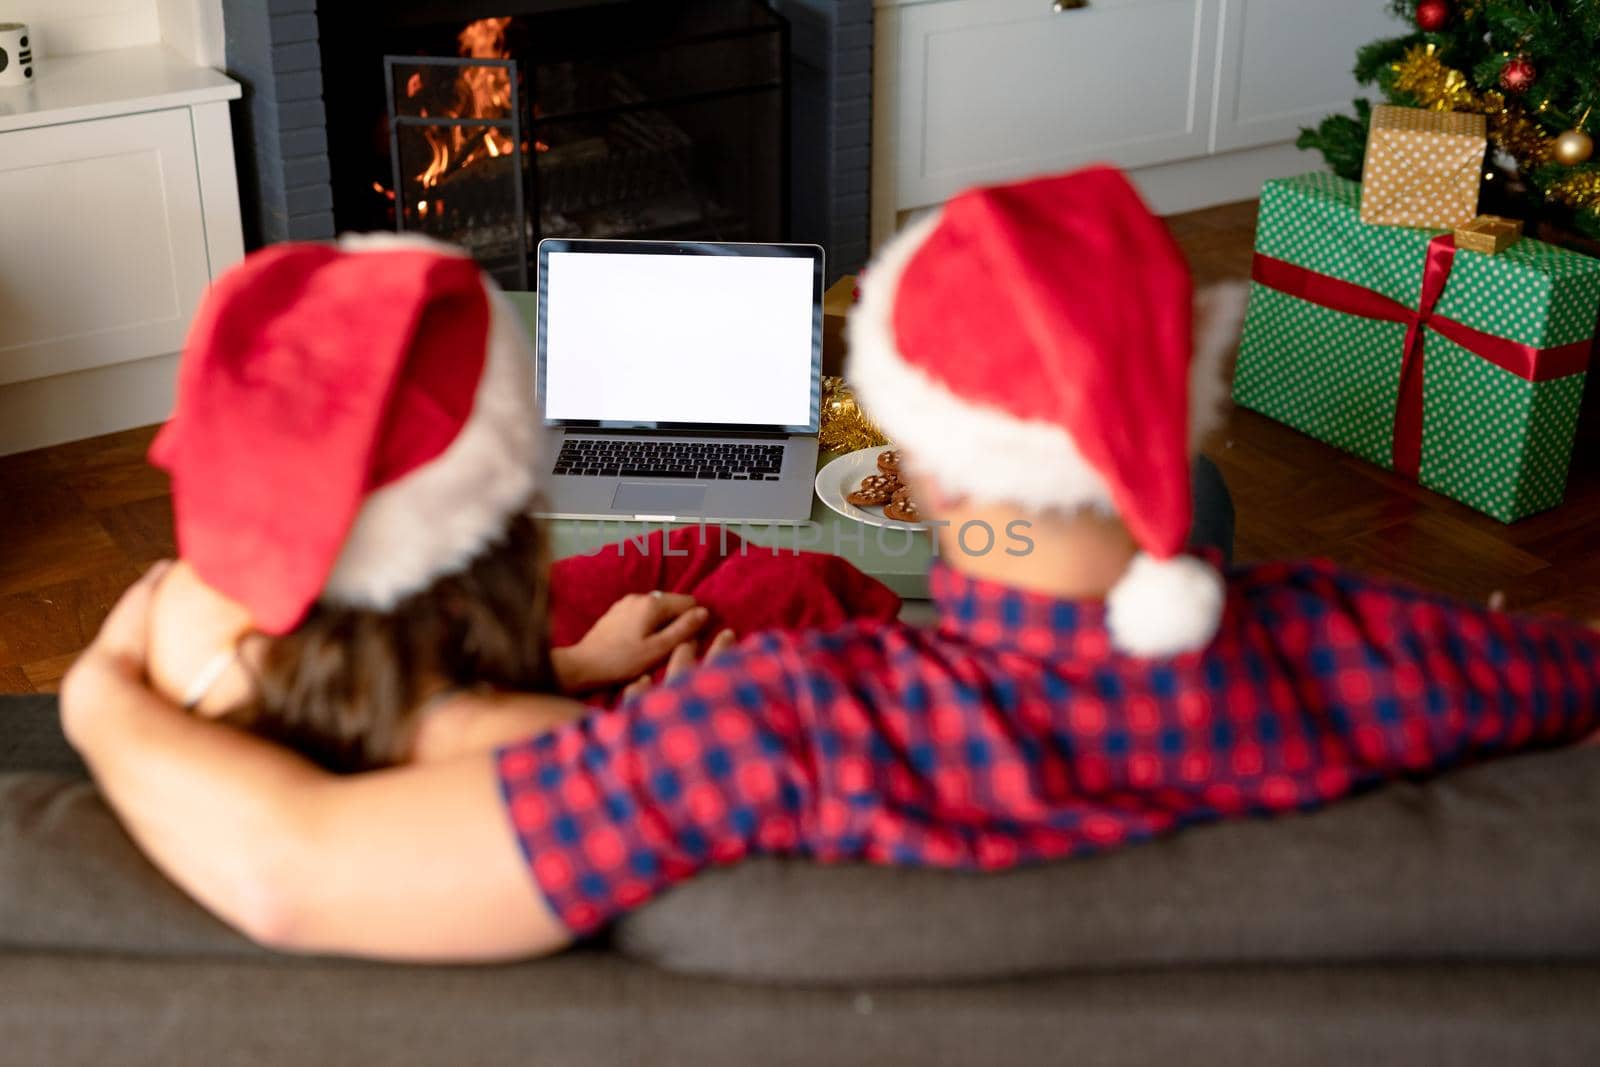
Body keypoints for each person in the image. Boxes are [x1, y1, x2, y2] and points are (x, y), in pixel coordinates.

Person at [61, 165, 1600, 964]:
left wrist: (101, 698)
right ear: (1182, 389)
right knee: (1198, 518)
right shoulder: (1372, 651)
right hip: (1224, 629)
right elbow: (1563, 674)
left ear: (917, 454)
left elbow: (288, 866)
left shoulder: (780, 727)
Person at [139, 235, 902, 772]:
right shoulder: (551, 753)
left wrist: (573, 662)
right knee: (795, 584)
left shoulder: (175, 664)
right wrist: (675, 726)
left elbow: (106, 685)